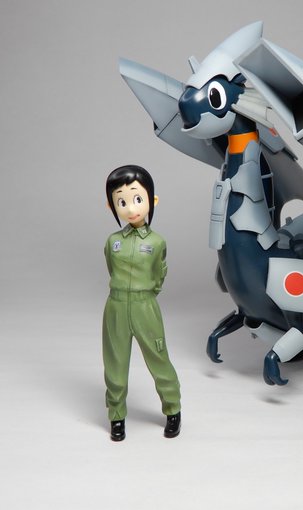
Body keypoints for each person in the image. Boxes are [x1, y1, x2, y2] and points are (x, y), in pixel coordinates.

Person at [102, 165, 181, 441]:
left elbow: (159, 275)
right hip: (116, 306)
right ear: (112, 206)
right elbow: (112, 269)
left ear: (152, 200)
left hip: (145, 305)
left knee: (158, 358)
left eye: (137, 198)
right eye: (121, 202)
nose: (131, 208)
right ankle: (116, 416)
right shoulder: (113, 242)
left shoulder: (157, 242)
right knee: (115, 363)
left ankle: (173, 409)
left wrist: (145, 294)